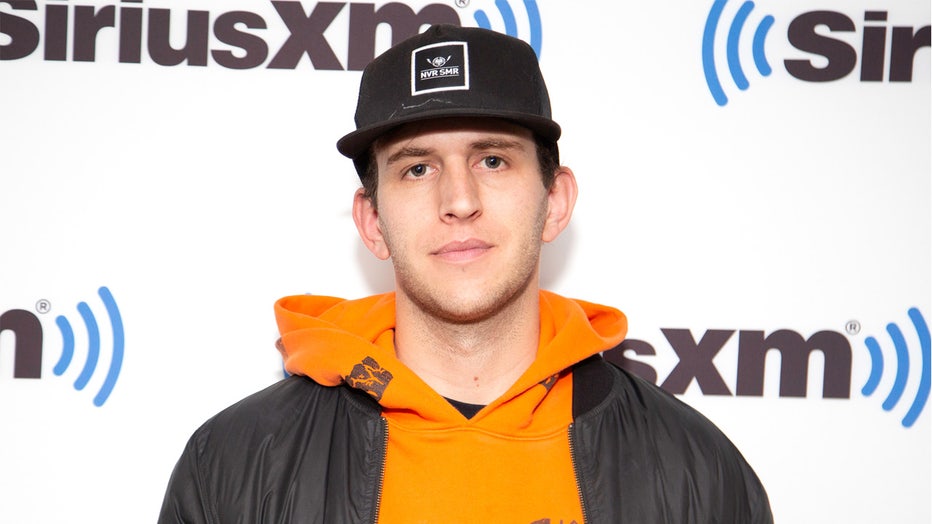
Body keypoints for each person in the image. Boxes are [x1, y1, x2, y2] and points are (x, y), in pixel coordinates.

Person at [158, 25, 772, 523]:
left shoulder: (695, 470)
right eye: (417, 169)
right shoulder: (237, 464)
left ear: (554, 202)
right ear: (371, 222)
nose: (459, 199)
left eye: (493, 159)